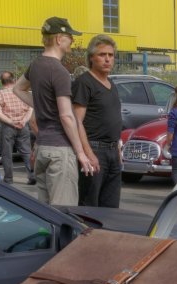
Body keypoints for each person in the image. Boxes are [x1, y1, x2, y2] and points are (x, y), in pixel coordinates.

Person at [13, 16, 93, 205]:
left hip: (42, 149)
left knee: (47, 214)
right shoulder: (59, 71)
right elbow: (66, 116)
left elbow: (17, 89)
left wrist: (42, 105)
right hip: (60, 151)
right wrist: (81, 152)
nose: (72, 40)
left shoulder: (36, 65)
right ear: (59, 39)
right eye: (69, 37)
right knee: (64, 214)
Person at [72, 34, 122, 207]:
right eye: (102, 55)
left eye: (111, 55)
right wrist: (88, 154)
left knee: (111, 207)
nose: (107, 59)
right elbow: (76, 122)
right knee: (90, 207)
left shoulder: (112, 85)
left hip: (112, 152)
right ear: (92, 57)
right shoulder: (84, 83)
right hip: (94, 150)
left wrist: (117, 148)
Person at [0, 71, 35, 185]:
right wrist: (24, 121)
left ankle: (8, 179)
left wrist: (11, 122)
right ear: (14, 80)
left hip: (7, 127)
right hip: (23, 126)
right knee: (26, 152)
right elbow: (30, 108)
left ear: (1, 82)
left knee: (6, 153)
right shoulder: (22, 93)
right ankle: (32, 176)